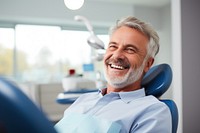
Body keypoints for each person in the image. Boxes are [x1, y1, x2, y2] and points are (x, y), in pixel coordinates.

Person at [55, 16, 172, 133]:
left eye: (130, 49)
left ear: (147, 63)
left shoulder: (152, 111)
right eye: (113, 46)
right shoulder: (83, 100)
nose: (116, 55)